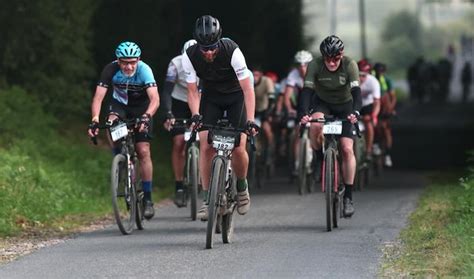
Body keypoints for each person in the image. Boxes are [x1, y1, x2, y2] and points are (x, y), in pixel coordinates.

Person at [182, 15, 257, 220]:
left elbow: (248, 89)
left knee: (239, 146)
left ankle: (241, 187)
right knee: (205, 145)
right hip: (211, 97)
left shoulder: (232, 50)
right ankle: (207, 199)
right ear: (198, 44)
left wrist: (250, 120)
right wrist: (196, 114)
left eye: (213, 47)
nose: (209, 52)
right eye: (205, 49)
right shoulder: (189, 55)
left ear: (219, 41)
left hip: (236, 96)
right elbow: (191, 91)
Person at [88, 41, 160, 219]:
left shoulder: (145, 70)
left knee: (143, 150)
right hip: (119, 106)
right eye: (124, 62)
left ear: (138, 60)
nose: (129, 66)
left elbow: (155, 99)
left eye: (132, 62)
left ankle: (148, 198)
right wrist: (95, 119)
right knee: (111, 122)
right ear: (118, 61)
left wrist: (147, 116)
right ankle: (119, 157)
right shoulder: (110, 70)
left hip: (142, 109)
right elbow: (98, 98)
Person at [299, 35, 361, 217]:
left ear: (341, 56)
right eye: (328, 59)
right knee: (315, 126)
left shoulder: (350, 65)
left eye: (336, 59)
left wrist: (356, 112)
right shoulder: (315, 65)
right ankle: (319, 159)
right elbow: (307, 91)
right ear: (322, 57)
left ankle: (348, 196)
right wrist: (303, 113)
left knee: (347, 149)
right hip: (322, 103)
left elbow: (357, 92)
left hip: (345, 105)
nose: (332, 63)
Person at [162, 39, 198, 208]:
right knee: (178, 143)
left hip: (199, 100)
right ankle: (179, 186)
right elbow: (167, 91)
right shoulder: (175, 64)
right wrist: (168, 113)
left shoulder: (206, 62)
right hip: (179, 102)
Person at [283, 50, 314, 175]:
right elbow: (287, 95)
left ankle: (317, 159)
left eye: (305, 64)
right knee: (297, 132)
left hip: (314, 102)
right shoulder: (293, 75)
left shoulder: (316, 74)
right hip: (300, 105)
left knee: (318, 131)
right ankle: (297, 163)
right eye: (299, 65)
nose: (302, 68)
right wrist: (289, 109)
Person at [373, 62, 396, 167]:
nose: (379, 73)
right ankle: (374, 144)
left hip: (385, 107)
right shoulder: (372, 79)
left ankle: (388, 154)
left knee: (386, 131)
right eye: (377, 71)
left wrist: (391, 108)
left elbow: (392, 96)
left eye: (381, 71)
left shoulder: (386, 81)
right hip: (374, 106)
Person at [357, 59, 380, 160]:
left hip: (368, 105)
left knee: (368, 122)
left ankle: (369, 150)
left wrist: (374, 116)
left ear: (368, 74)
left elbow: (377, 102)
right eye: (359, 74)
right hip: (355, 104)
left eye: (363, 75)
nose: (361, 78)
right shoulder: (351, 80)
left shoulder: (373, 81)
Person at [252, 66, 276, 159]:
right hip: (253, 110)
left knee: (267, 130)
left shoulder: (267, 81)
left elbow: (272, 99)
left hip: (265, 109)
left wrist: (268, 113)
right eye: (253, 75)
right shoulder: (248, 80)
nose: (255, 77)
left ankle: (270, 152)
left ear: (261, 75)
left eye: (257, 75)